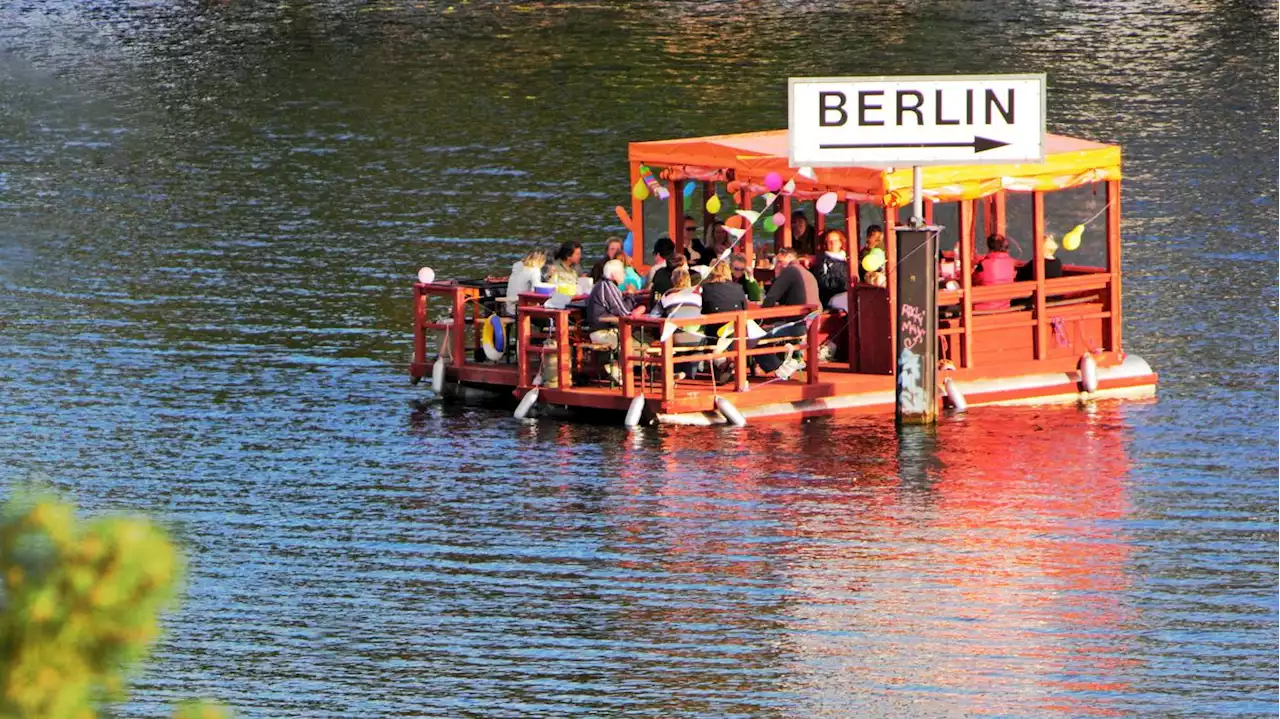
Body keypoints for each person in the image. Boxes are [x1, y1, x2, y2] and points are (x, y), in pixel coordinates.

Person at [756, 247, 820, 375]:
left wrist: (758, 319)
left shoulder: (790, 271)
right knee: (769, 330)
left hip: (799, 325)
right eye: (777, 262)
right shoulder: (806, 272)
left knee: (755, 336)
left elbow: (771, 298)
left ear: (791, 259)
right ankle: (781, 365)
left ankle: (779, 369)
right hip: (812, 323)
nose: (777, 265)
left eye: (780, 262)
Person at [973, 233, 1017, 310]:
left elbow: (972, 280)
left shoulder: (984, 264)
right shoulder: (1011, 263)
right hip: (1004, 307)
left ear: (989, 247)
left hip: (982, 309)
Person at [812, 229, 850, 307]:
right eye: (829, 241)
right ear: (826, 244)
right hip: (831, 297)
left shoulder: (848, 259)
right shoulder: (823, 261)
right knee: (849, 303)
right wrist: (842, 285)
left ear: (840, 242)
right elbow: (823, 284)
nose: (833, 243)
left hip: (848, 294)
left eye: (835, 240)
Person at [504, 249, 546, 314]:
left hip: (509, 308)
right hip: (521, 309)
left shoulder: (517, 265)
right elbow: (536, 291)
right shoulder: (534, 270)